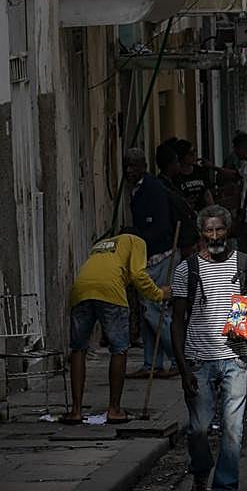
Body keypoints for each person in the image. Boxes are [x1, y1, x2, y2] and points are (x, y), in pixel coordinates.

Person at [171, 205, 247, 491]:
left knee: (233, 430)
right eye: (209, 230)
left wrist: (240, 326)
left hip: (234, 359)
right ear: (201, 233)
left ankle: (225, 485)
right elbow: (177, 322)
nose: (214, 235)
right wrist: (183, 369)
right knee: (198, 429)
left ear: (228, 229)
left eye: (219, 229)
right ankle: (201, 468)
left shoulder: (246, 265)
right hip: (198, 361)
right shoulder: (187, 269)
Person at [64, 231, 172, 424]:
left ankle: (76, 410)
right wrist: (158, 293)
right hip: (110, 291)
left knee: (78, 349)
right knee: (119, 349)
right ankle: (114, 409)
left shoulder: (101, 245)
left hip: (80, 290)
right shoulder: (136, 241)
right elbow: (138, 274)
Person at [128, 147, 179, 377]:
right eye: (126, 166)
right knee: (148, 311)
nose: (129, 170)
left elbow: (161, 227)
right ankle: (152, 363)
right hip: (147, 257)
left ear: (144, 166)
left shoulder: (153, 189)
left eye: (134, 165)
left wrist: (137, 239)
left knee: (155, 311)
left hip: (160, 256)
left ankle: (179, 359)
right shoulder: (137, 190)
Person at [172, 139, 212, 258]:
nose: (194, 155)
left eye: (194, 152)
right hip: (188, 220)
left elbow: (207, 193)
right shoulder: (177, 177)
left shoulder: (199, 171)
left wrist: (212, 213)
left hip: (203, 216)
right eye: (191, 153)